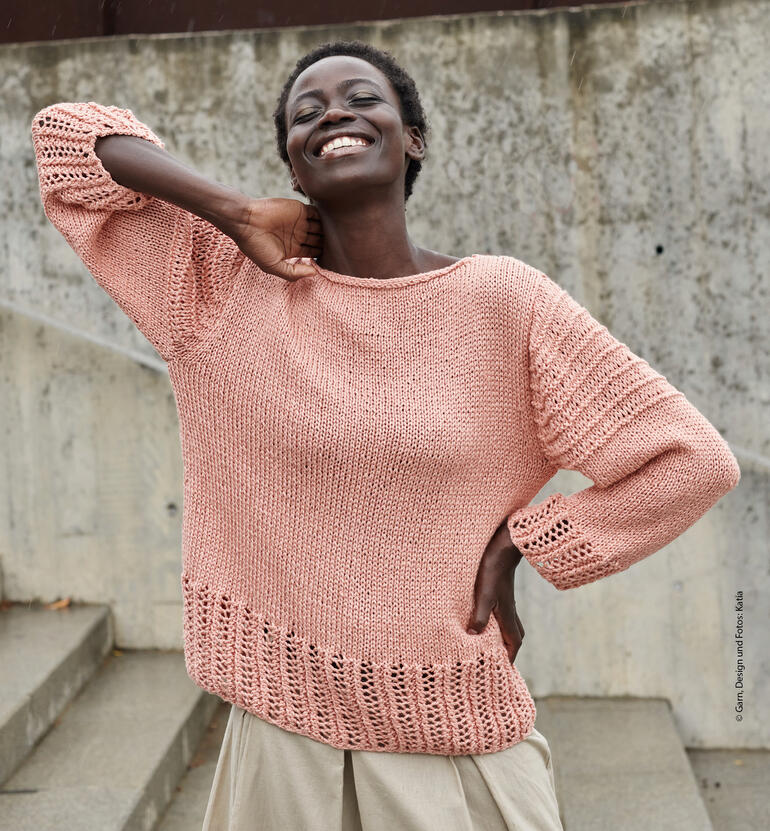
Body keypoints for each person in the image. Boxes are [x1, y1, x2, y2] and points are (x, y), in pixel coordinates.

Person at [30, 39, 740, 831]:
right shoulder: (220, 290)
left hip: (457, 750)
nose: (334, 111)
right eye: (307, 110)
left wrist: (522, 544)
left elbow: (690, 458)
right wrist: (233, 213)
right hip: (282, 742)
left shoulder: (503, 303)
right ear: (294, 171)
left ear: (413, 139)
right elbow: (68, 139)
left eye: (364, 99)